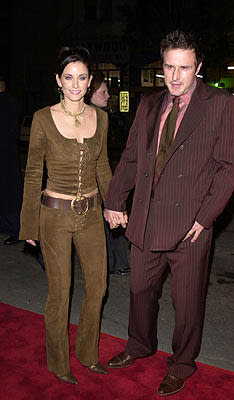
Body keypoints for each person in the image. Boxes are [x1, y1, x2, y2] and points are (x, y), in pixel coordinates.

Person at [104, 30, 234, 396]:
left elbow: (228, 167)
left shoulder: (220, 104)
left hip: (191, 225)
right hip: (146, 220)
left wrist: (205, 217)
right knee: (140, 290)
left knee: (187, 302)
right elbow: (131, 157)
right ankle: (140, 344)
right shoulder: (149, 104)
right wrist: (115, 199)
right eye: (169, 67)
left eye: (185, 68)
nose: (176, 77)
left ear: (199, 67)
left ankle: (181, 364)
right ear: (162, 67)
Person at [19, 46, 112, 384]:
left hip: (91, 215)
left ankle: (88, 354)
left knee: (98, 286)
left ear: (90, 82)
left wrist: (115, 205)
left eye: (82, 77)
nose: (76, 84)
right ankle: (58, 362)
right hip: (54, 216)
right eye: (69, 77)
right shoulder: (43, 118)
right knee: (61, 291)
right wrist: (28, 223)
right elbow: (32, 173)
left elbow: (102, 166)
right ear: (59, 80)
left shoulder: (100, 118)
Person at [85, 71, 130, 275]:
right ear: (91, 93)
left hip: (100, 179)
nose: (108, 95)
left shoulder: (101, 116)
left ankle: (115, 262)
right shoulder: (92, 116)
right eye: (103, 91)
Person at [0, 74, 22, 245]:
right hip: (6, 155)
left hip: (7, 156)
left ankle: (16, 229)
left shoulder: (9, 102)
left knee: (11, 193)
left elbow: (9, 131)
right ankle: (6, 225)